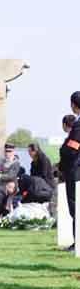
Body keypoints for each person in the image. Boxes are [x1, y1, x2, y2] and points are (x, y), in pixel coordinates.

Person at [59, 97, 80, 250]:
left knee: (75, 206)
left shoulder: (78, 126)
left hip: (75, 170)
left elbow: (73, 147)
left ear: (74, 105)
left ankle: (77, 242)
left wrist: (63, 149)